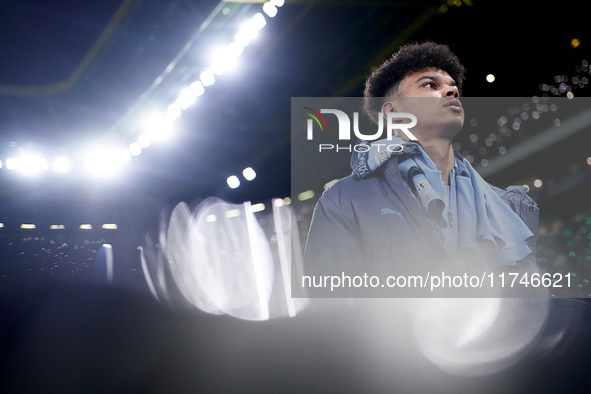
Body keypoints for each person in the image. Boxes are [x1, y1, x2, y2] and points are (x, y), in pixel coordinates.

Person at [302, 42, 539, 296]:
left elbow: (534, 311)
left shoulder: (506, 206)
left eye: (452, 86)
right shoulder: (344, 200)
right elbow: (331, 309)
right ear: (393, 112)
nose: (451, 91)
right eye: (430, 85)